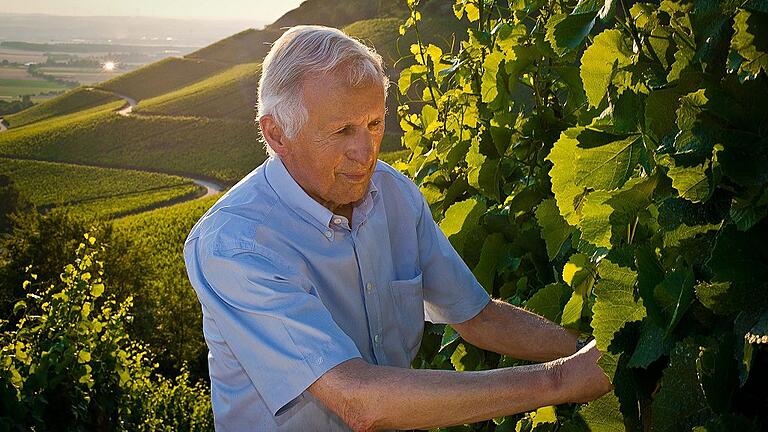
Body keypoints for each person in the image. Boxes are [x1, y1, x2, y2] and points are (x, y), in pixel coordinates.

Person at [183, 25, 611, 431]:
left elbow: (477, 316)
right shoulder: (236, 245)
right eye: (342, 130)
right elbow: (358, 400)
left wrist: (593, 357)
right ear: (277, 134)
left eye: (374, 123)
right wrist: (562, 381)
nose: (366, 152)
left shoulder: (394, 195)